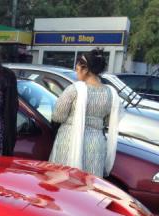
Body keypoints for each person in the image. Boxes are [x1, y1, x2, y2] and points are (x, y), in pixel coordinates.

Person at [48, 49, 121, 177]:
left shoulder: (74, 89)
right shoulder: (111, 93)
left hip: (70, 141)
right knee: (90, 184)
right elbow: (110, 121)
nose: (76, 71)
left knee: (65, 181)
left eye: (77, 69)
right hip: (96, 144)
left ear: (85, 69)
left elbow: (58, 116)